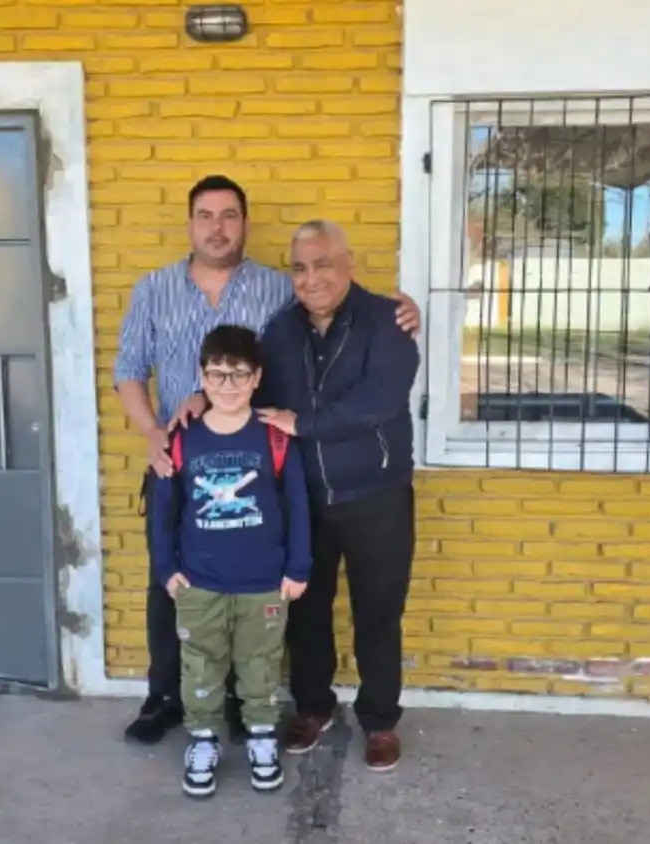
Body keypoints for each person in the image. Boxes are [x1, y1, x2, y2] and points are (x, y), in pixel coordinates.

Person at [113, 176, 420, 746]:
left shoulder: (310, 301)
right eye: (205, 215)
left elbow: (370, 383)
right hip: (208, 465)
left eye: (229, 215)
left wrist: (405, 309)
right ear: (190, 223)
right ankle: (180, 699)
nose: (217, 227)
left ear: (245, 224)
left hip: (313, 481)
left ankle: (330, 714)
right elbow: (151, 370)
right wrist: (171, 420)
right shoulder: (168, 292)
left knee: (324, 601)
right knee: (191, 586)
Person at [255, 220, 420, 773]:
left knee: (378, 613)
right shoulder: (280, 331)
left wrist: (304, 423)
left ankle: (380, 720)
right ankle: (313, 707)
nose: (312, 278)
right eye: (300, 268)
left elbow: (380, 400)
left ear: (349, 263)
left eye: (324, 264)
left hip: (377, 494)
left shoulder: (387, 321)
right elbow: (254, 395)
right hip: (304, 499)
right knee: (306, 611)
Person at [149, 325, 312, 798]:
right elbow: (163, 509)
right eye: (218, 374)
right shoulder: (182, 439)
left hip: (264, 581)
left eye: (239, 374)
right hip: (200, 581)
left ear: (256, 378)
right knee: (200, 664)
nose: (228, 385)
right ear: (202, 377)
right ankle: (203, 739)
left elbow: (298, 504)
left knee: (260, 663)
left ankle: (261, 736)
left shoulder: (275, 438)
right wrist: (167, 570)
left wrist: (298, 567)